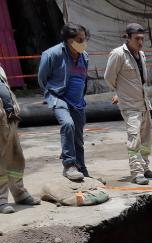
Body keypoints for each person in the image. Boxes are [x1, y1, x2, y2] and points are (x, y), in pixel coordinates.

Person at [105, 23, 152, 185]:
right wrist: (119, 93)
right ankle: (136, 172)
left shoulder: (141, 55)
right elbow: (109, 77)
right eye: (137, 39)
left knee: (147, 138)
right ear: (127, 38)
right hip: (130, 106)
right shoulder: (118, 54)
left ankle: (144, 166)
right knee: (134, 139)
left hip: (144, 103)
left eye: (142, 39)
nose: (140, 42)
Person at [38, 23, 90, 181]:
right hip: (58, 97)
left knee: (78, 138)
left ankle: (81, 168)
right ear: (69, 40)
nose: (83, 43)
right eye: (80, 40)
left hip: (78, 101)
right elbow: (42, 78)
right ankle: (69, 165)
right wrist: (50, 94)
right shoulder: (52, 54)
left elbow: (83, 79)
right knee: (68, 124)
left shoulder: (84, 56)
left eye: (84, 39)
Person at [0, 66, 39, 212]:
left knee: (16, 158)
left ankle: (20, 193)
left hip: (8, 120)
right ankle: (1, 200)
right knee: (0, 163)